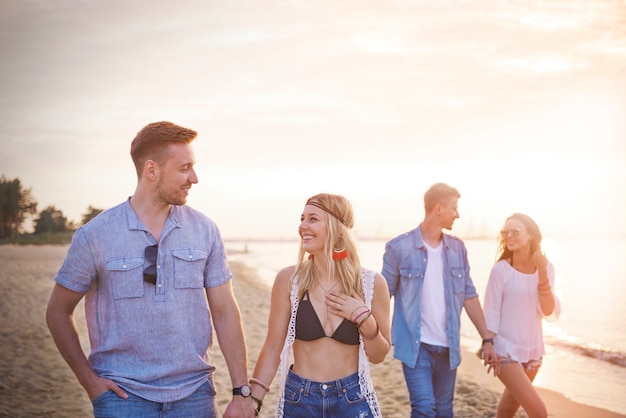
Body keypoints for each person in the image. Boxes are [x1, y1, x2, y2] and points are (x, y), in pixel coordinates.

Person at [46, 121, 255, 418]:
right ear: (152, 169)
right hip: (122, 398)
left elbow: (224, 311)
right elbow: (57, 311)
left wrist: (240, 390)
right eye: (184, 168)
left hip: (194, 396)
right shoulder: (95, 235)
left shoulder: (205, 230)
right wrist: (89, 382)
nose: (194, 178)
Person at [249, 193, 391, 417]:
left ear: (337, 227)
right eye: (302, 218)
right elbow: (272, 347)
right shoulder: (290, 280)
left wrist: (365, 321)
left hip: (352, 398)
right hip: (300, 398)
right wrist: (253, 400)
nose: (302, 226)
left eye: (313, 219)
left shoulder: (371, 284)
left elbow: (379, 355)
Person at [381, 182, 497, 418]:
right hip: (415, 346)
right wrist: (374, 337)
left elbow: (469, 294)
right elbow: (383, 295)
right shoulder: (398, 248)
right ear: (438, 208)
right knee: (424, 408)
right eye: (454, 208)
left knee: (444, 411)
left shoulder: (457, 248)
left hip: (448, 346)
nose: (458, 214)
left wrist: (487, 339)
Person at [482, 213, 561, 418]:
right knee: (539, 412)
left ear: (531, 236)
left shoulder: (546, 268)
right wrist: (488, 343)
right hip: (505, 351)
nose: (509, 236)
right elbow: (490, 310)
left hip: (534, 352)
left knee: (507, 410)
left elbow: (547, 310)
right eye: (506, 232)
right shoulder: (501, 270)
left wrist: (542, 272)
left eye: (515, 231)